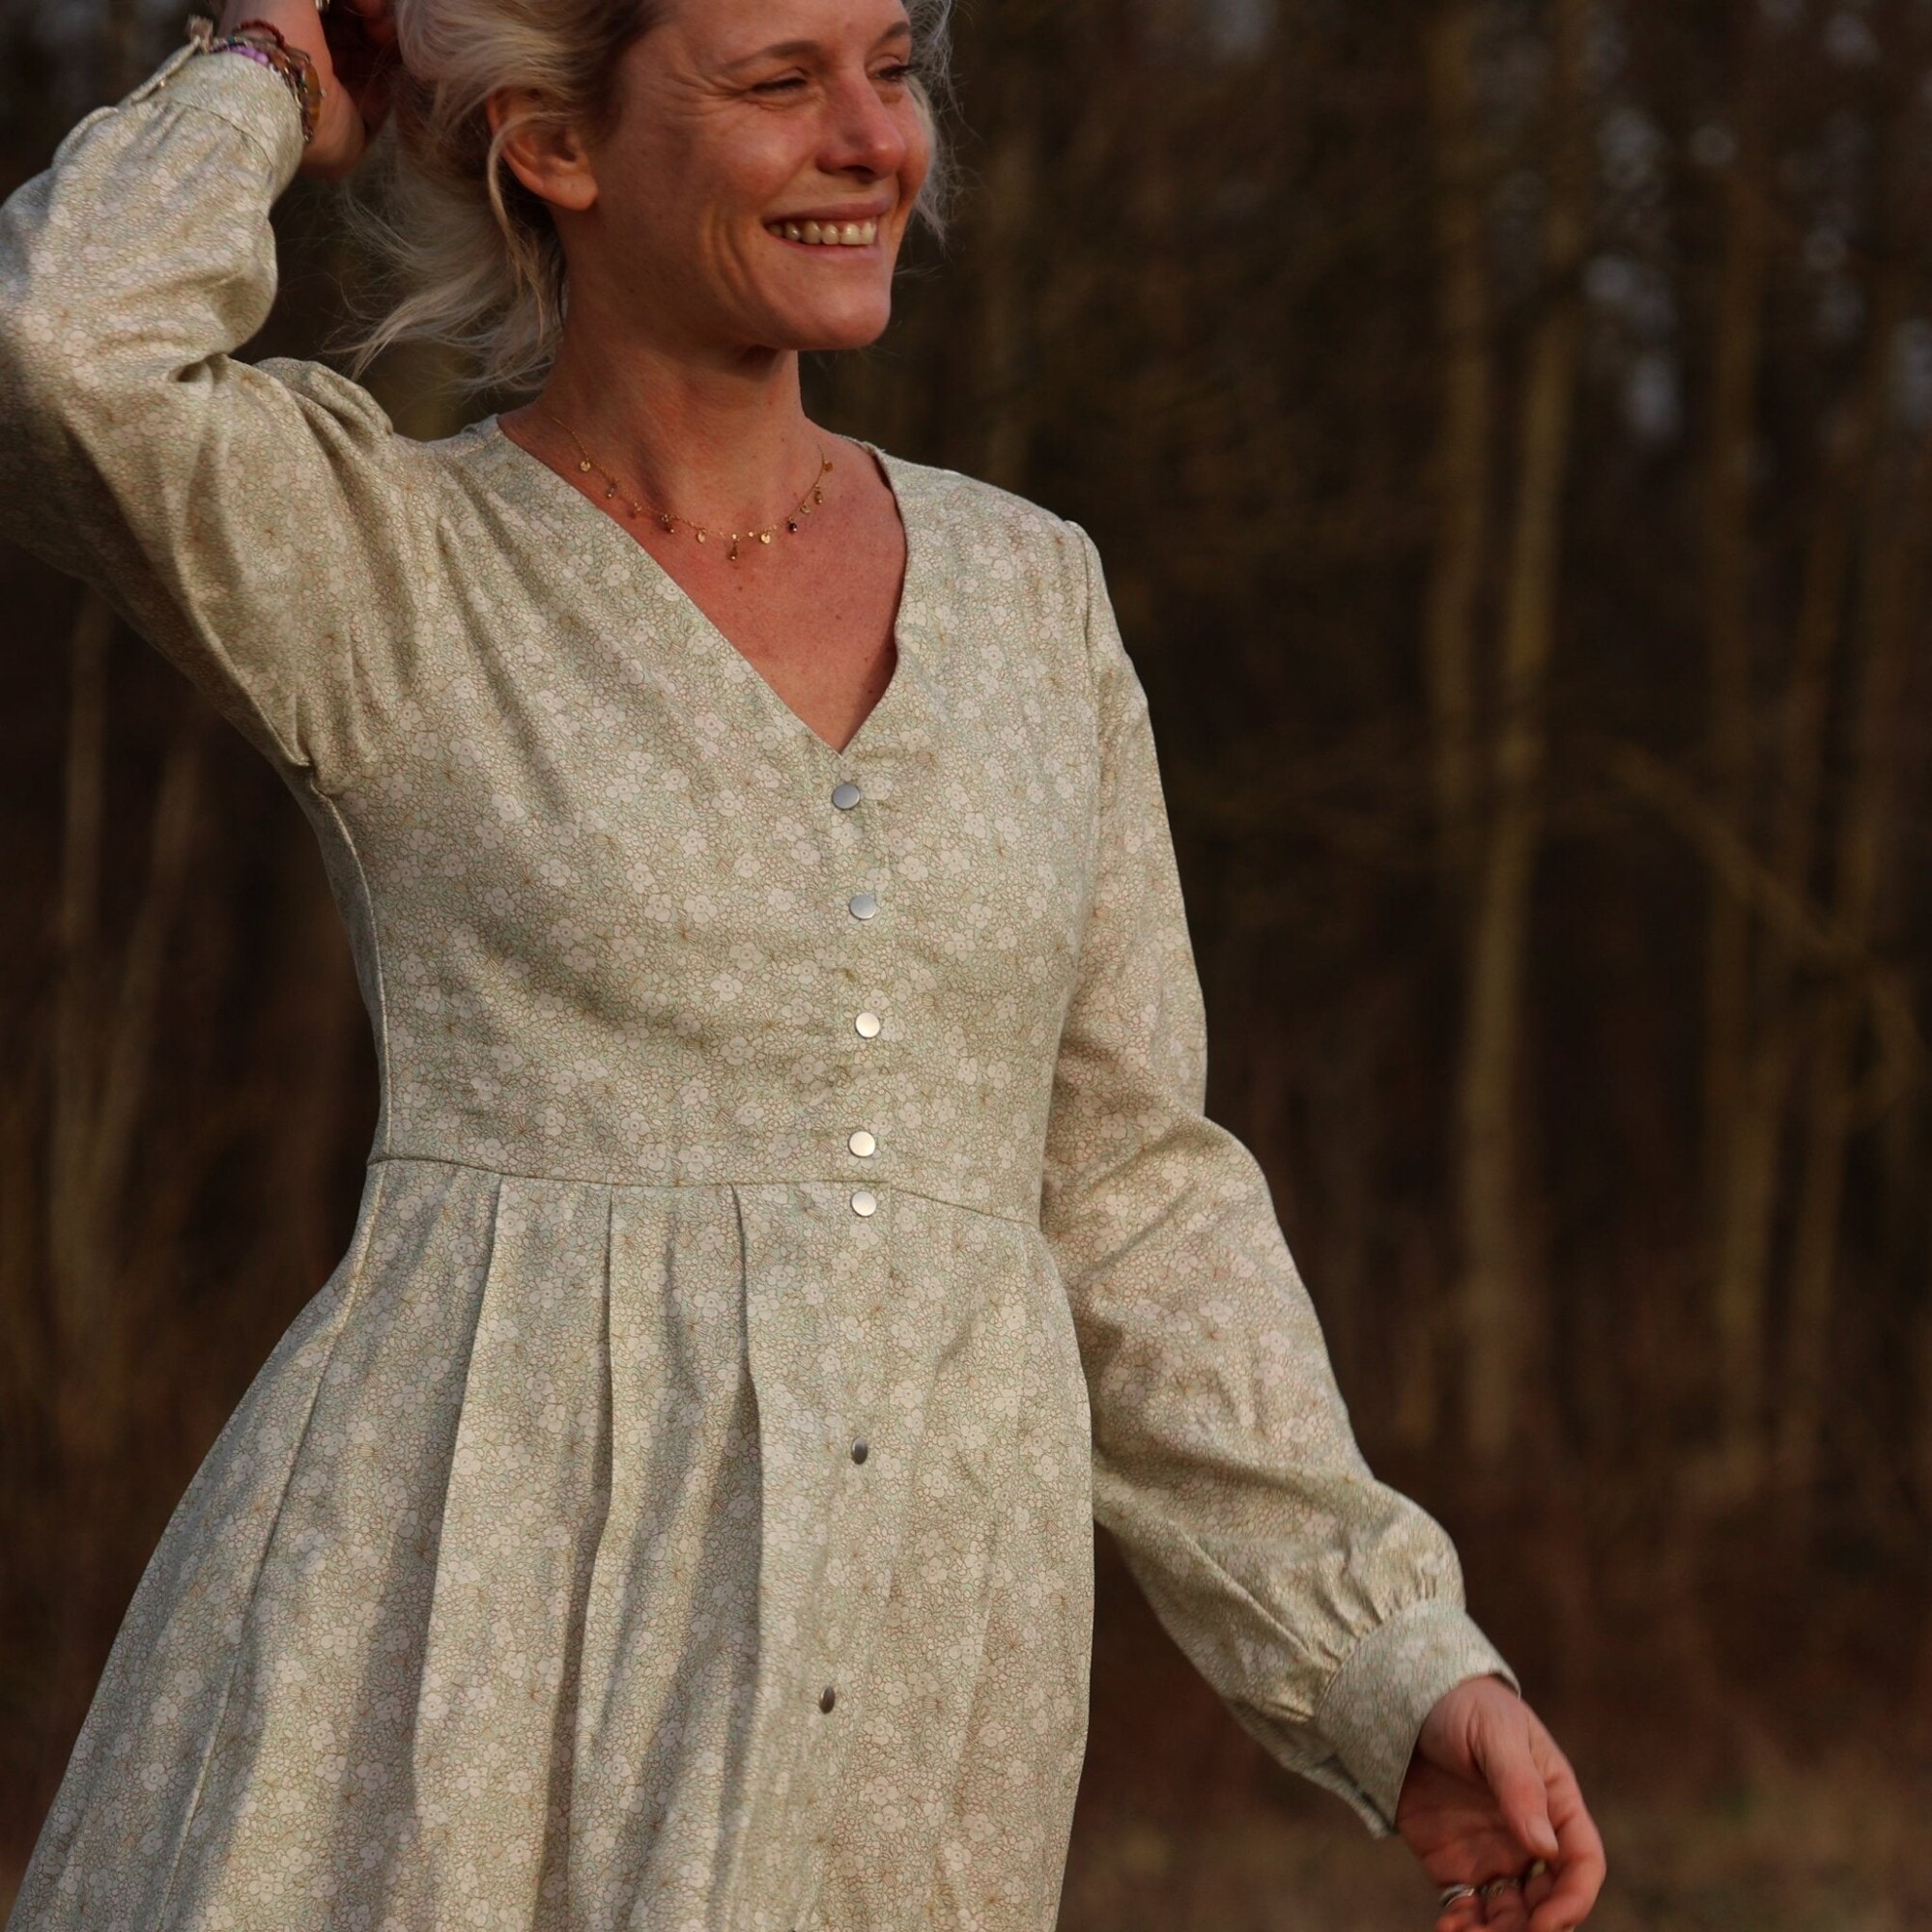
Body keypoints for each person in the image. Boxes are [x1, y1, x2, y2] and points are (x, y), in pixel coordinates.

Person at [0, 0, 1607, 1926]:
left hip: (921, 1674)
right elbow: (63, 346)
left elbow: (1130, 1198)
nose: (875, 138)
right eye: (781, 79)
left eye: (892, 67)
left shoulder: (1035, 599)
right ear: (555, 145)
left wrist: (1386, 1660)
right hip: (458, 1675)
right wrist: (265, 68)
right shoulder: (389, 568)